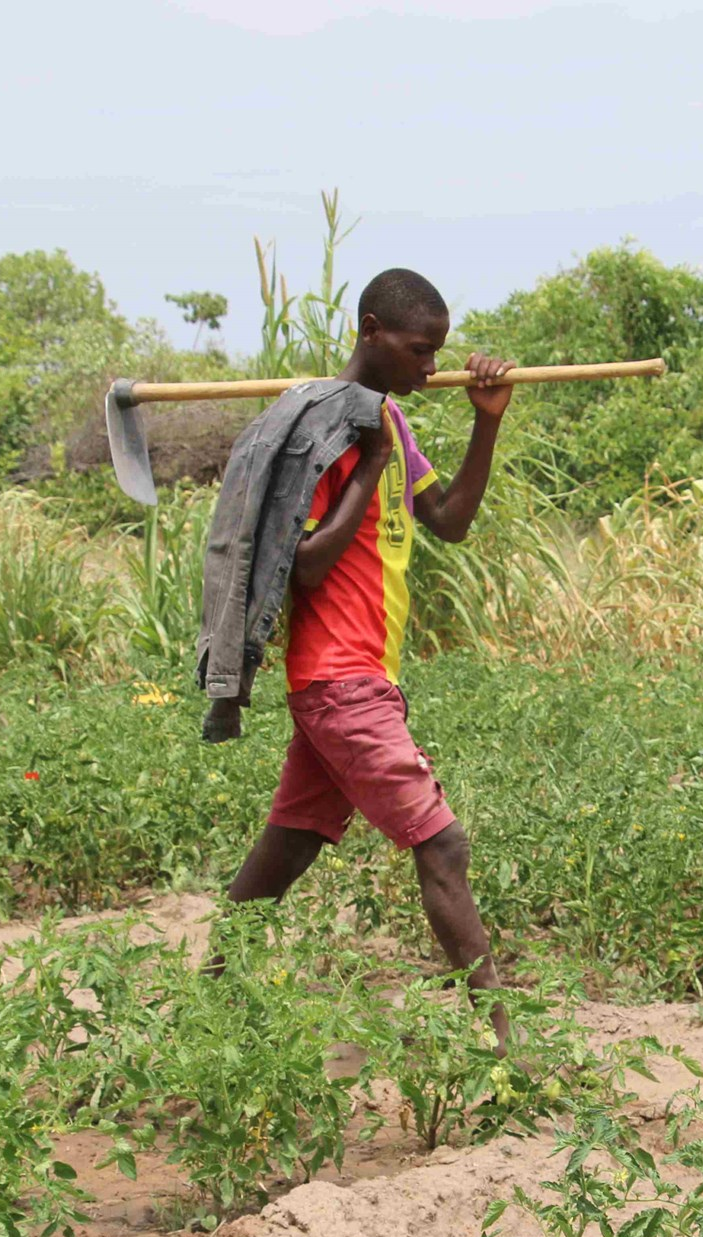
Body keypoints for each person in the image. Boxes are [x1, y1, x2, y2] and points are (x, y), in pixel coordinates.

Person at [219, 268, 516, 1054]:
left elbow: (448, 520)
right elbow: (305, 562)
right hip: (338, 678)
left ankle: (202, 998)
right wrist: (373, 462)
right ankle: (508, 1048)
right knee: (442, 845)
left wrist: (486, 421)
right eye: (420, 352)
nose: (429, 369)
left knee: (292, 842)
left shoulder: (386, 422)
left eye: (438, 355)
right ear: (372, 330)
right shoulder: (330, 429)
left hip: (356, 678)